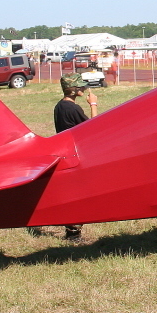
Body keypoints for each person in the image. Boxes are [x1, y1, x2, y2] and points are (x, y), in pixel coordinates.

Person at [54, 72, 99, 239]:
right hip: (76, 155)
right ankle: (73, 233)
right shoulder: (73, 108)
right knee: (79, 194)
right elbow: (94, 128)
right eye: (80, 86)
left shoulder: (60, 106)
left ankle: (71, 231)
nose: (83, 88)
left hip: (65, 154)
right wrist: (93, 104)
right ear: (73, 90)